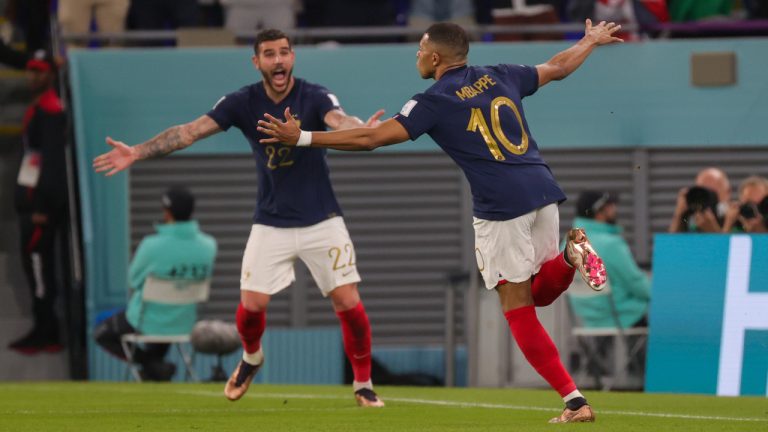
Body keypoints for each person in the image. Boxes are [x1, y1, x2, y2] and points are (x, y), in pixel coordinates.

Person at [257, 20, 622, 423]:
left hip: (501, 205)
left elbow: (371, 138)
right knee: (541, 293)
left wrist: (302, 138)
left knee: (517, 309)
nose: (416, 55)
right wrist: (588, 40)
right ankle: (570, 259)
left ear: (435, 57)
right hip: (543, 189)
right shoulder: (499, 74)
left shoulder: (432, 100)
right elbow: (557, 67)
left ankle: (574, 401)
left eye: (419, 49)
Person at [92, 29, 386, 407]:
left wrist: (363, 128)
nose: (278, 60)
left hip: (321, 220)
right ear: (257, 62)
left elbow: (339, 119)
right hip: (271, 222)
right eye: (269, 54)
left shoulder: (314, 95)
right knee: (251, 307)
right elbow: (188, 133)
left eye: (284, 52)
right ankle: (251, 357)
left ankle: (363, 384)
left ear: (292, 57)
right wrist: (137, 151)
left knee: (348, 301)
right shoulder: (241, 102)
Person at [93, 186, 217, 381]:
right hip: (183, 322)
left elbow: (133, 280)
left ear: (167, 212)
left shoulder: (151, 245)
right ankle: (155, 367)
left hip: (145, 320)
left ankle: (150, 365)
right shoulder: (209, 245)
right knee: (166, 321)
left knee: (100, 333)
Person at [8, 50, 68, 355]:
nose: (32, 76)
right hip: (32, 205)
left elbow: (55, 164)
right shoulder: (40, 107)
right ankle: (42, 328)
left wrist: (44, 208)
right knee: (35, 269)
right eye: (29, 70)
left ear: (50, 75)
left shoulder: (51, 111)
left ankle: (48, 332)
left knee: (40, 269)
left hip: (40, 211)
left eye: (39, 71)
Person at [568, 191, 650, 329]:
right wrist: (660, 294)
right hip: (620, 317)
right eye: (610, 206)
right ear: (598, 212)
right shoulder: (612, 244)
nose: (615, 209)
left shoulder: (567, 243)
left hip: (585, 319)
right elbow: (635, 283)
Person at [668, 167, 731, 233]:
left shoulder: (735, 219)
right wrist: (679, 215)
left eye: (713, 192)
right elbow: (670, 242)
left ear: (727, 192)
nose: (708, 197)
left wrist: (712, 230)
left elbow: (731, 243)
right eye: (704, 192)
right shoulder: (688, 217)